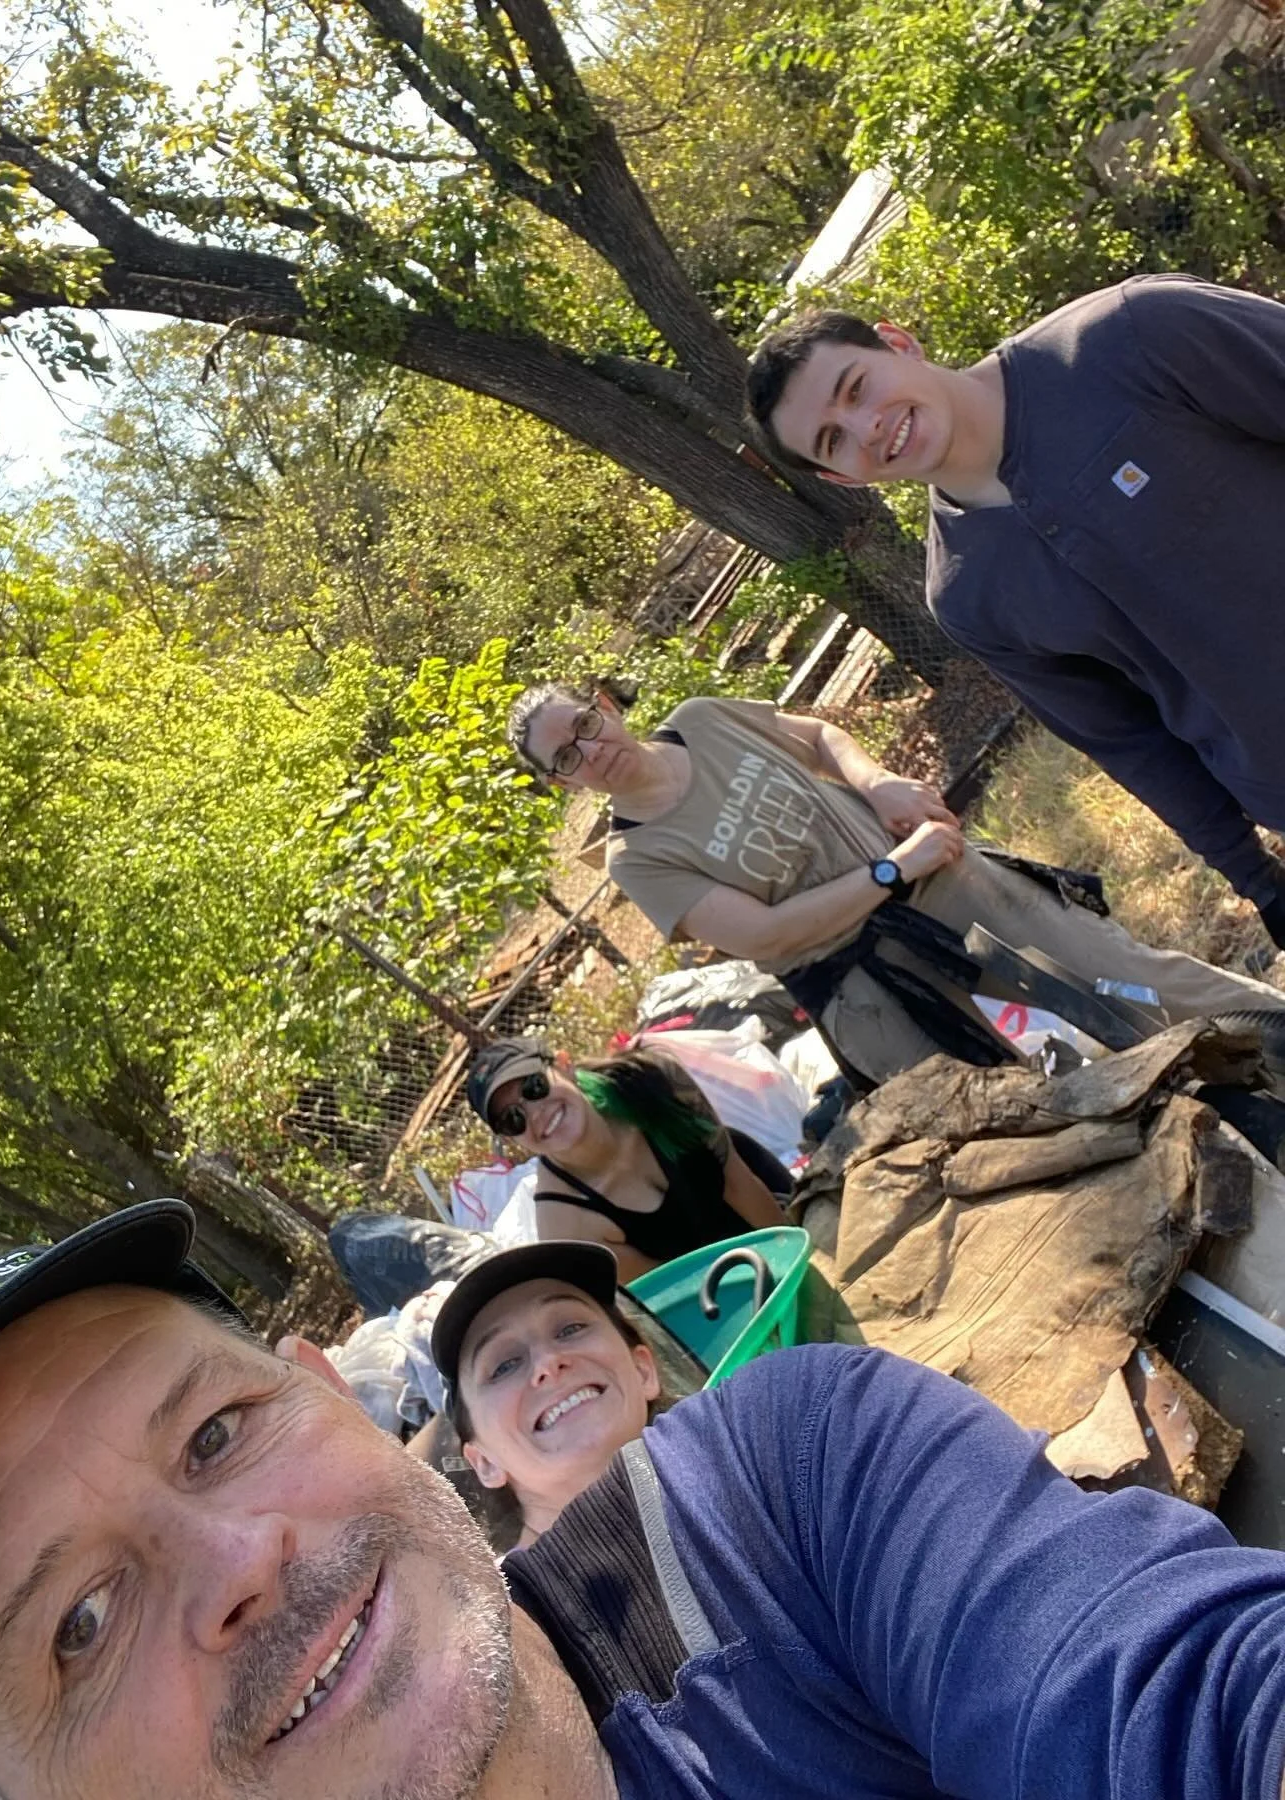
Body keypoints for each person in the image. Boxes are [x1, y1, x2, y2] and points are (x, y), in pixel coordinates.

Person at [0, 1200, 1285, 1800]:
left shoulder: (773, 1494)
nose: (237, 1560)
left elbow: (1184, 1698)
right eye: (80, 1622)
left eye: (218, 1433)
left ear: (330, 1394)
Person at [744, 274, 1285, 944]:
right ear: (841, 477)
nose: (866, 427)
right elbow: (1127, 740)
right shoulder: (965, 593)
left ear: (898, 343)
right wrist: (1256, 881)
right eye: (832, 440)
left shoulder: (1132, 335)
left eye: (855, 388)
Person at [505, 678, 1285, 1089]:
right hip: (870, 983)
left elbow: (818, 737)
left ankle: (1272, 1038)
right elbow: (767, 935)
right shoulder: (636, 858)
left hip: (947, 886)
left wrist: (877, 784)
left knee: (1133, 978)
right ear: (562, 785)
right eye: (566, 758)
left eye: (584, 726)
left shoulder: (704, 719)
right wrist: (890, 870)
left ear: (603, 705)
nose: (590, 750)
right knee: (1034, 1105)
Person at [465, 1036, 788, 1282]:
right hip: (714, 1288)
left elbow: (739, 1183)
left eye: (534, 1087)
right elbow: (672, 1291)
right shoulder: (567, 1223)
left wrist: (798, 1262)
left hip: (765, 1210)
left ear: (564, 1066)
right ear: (512, 1140)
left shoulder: (651, 1079)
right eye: (513, 1119)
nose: (535, 1114)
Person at [428, 1241, 662, 1548]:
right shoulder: (517, 1583)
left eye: (570, 1329)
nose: (548, 1363)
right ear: (484, 1462)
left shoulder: (725, 1463)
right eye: (504, 1366)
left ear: (643, 1370)